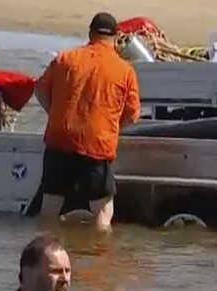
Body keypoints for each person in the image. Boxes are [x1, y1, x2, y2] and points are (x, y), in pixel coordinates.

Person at [33, 12, 141, 232]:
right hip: (97, 147)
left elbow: (39, 90)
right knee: (102, 212)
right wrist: (110, 127)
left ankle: (47, 253)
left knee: (50, 209)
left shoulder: (64, 58)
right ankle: (100, 260)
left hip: (59, 141)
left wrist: (54, 113)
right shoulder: (124, 70)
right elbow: (132, 115)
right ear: (116, 37)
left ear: (90, 33)